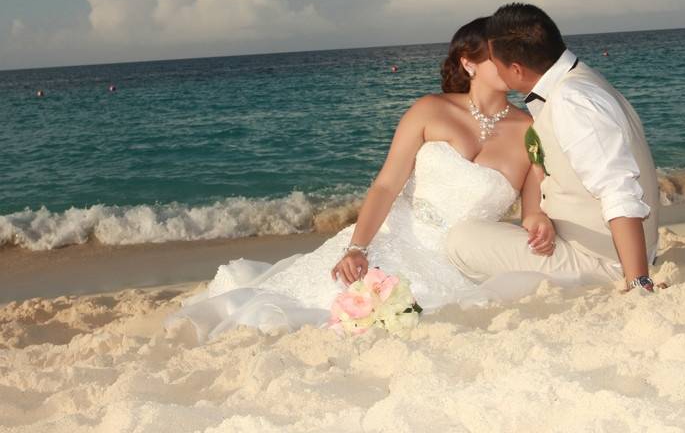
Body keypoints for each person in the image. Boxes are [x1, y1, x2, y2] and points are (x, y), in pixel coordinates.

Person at [164, 17, 560, 343]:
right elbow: (386, 186)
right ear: (468, 63)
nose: (512, 61)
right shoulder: (428, 110)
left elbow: (531, 210)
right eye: (498, 54)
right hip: (393, 238)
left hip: (462, 261)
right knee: (316, 303)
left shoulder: (530, 128)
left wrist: (538, 223)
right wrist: (358, 247)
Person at [445, 3, 665, 294]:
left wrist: (637, 280)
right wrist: (541, 215)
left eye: (497, 65)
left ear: (516, 69)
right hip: (602, 247)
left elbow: (618, 189)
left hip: (603, 260)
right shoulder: (582, 80)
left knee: (460, 240)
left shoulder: (571, 100)